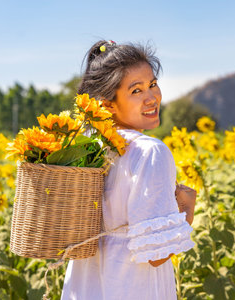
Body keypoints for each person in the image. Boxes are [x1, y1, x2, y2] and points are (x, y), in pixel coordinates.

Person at [61, 40, 196, 299]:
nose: (152, 98)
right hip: (131, 288)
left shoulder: (84, 146)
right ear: (108, 104)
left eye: (152, 85)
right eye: (136, 91)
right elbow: (156, 257)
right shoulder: (149, 151)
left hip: (84, 288)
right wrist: (187, 208)